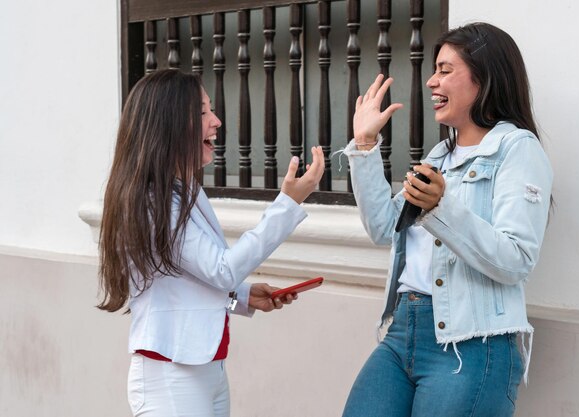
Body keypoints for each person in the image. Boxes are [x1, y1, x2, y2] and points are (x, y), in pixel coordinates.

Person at [341, 22, 553, 417]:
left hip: (472, 343)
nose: (431, 82)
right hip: (404, 329)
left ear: (483, 77)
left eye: (444, 69)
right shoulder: (439, 155)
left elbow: (515, 259)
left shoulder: (516, 149)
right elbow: (385, 228)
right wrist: (365, 146)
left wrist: (441, 208)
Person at [97, 69, 324, 417]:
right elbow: (220, 270)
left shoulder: (185, 189)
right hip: (171, 377)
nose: (216, 121)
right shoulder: (152, 201)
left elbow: (187, 280)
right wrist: (288, 203)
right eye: (202, 112)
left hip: (206, 369)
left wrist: (243, 296)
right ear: (168, 122)